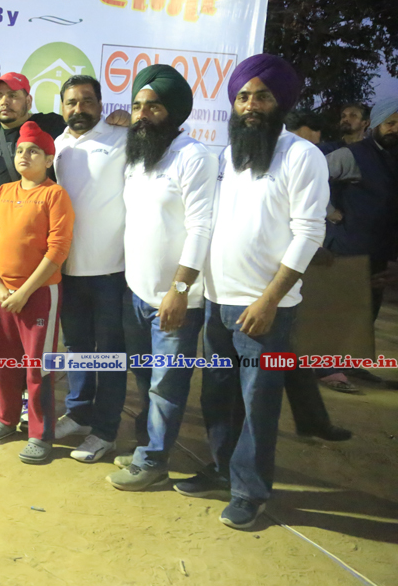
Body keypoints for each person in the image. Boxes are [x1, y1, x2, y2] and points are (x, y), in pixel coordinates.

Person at [189, 54, 328, 529]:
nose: (251, 105)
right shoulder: (226, 156)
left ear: (280, 102)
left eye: (262, 96)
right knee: (218, 397)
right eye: (243, 97)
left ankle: (250, 491)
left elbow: (309, 233)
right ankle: (222, 468)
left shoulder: (302, 155)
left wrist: (269, 300)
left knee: (258, 404)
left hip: (267, 309)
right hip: (217, 302)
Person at [105, 65, 218, 491]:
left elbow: (201, 228)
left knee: (167, 385)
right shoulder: (139, 156)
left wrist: (180, 290)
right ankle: (147, 446)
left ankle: (153, 462)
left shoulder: (194, 156)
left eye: (153, 107)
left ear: (174, 111)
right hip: (135, 293)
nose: (142, 114)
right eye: (137, 106)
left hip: (176, 300)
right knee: (144, 377)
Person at [0, 72, 66, 417]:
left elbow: (84, 121)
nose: (5, 102)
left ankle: (27, 395)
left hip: (32, 251)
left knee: (31, 327)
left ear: (28, 100)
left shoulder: (50, 125)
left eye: (13, 95)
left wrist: (119, 119)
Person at [0, 121, 73, 464]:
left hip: (40, 295)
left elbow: (57, 251)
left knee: (37, 368)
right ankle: (5, 418)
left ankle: (39, 433)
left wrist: (24, 292)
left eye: (33, 151)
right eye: (20, 150)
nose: (24, 155)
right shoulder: (3, 192)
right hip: (2, 295)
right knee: (3, 361)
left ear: (48, 160)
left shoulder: (54, 195)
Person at [50, 74, 129, 463]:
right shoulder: (58, 145)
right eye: (71, 102)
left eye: (86, 101)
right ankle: (79, 413)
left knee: (110, 353)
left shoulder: (121, 138)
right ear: (62, 107)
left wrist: (132, 119)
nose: (78, 109)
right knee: (77, 347)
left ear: (100, 104)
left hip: (111, 270)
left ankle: (105, 431)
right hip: (68, 269)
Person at [324, 95, 398, 321]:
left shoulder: (393, 155)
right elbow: (307, 178)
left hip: (379, 257)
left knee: (365, 321)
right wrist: (328, 211)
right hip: (347, 254)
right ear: (375, 123)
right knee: (341, 321)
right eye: (390, 123)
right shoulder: (352, 154)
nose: (395, 129)